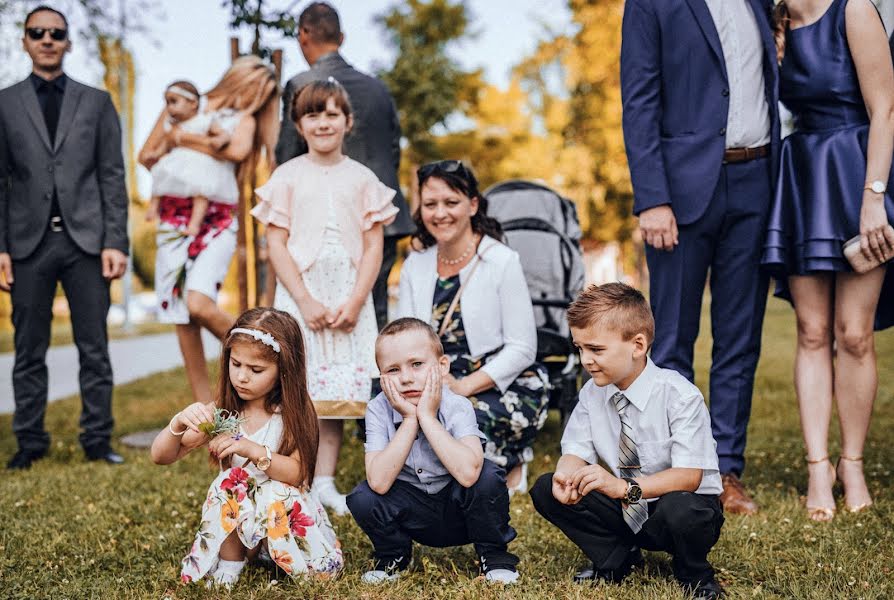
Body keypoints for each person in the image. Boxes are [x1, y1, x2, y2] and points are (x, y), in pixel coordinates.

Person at [620, 0, 780, 514]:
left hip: (758, 182)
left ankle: (726, 468)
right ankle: (676, 469)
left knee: (740, 337)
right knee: (670, 338)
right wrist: (651, 198)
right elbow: (639, 100)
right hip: (680, 192)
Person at [762, 0, 894, 520]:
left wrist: (873, 198)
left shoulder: (854, 8)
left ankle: (852, 463)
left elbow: (885, 108)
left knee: (854, 333)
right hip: (804, 178)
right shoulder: (774, 22)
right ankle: (819, 467)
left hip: (858, 171)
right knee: (812, 332)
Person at [252, 79, 397, 516]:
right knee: (299, 391)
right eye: (313, 114)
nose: (323, 122)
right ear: (299, 124)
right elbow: (276, 244)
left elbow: (374, 246)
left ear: (347, 122)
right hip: (303, 297)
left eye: (332, 113)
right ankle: (291, 474)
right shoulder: (287, 176)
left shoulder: (363, 178)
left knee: (333, 400)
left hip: (348, 299)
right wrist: (305, 300)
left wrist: (355, 301)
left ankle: (326, 482)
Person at [530, 283, 724, 600]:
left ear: (637, 345)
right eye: (579, 349)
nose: (585, 360)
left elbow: (690, 476)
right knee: (545, 487)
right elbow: (575, 449)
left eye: (596, 349)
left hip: (677, 509)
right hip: (626, 508)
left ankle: (695, 574)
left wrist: (623, 488)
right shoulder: (592, 392)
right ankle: (616, 558)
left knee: (682, 507)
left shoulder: (679, 395)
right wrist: (567, 475)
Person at [0, 6, 129, 469]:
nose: (48, 39)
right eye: (38, 32)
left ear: (68, 41)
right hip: (26, 244)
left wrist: (117, 241)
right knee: (27, 349)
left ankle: (98, 439)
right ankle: (29, 441)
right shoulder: (5, 102)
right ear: (26, 41)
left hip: (88, 245)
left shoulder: (96, 101)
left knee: (94, 347)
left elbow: (113, 176)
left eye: (56, 33)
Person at [150, 308, 343, 588]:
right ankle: (231, 562)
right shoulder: (224, 413)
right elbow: (162, 456)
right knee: (231, 483)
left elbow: (297, 474)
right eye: (235, 363)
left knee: (276, 489)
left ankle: (273, 553)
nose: (241, 377)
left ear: (284, 370)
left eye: (256, 370)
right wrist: (178, 423)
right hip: (240, 525)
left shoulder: (293, 415)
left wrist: (253, 450)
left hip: (282, 521)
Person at [397, 160, 549, 496]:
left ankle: (509, 459)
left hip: (493, 380)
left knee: (462, 423)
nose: (440, 213)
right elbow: (403, 340)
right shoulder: (415, 265)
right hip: (430, 378)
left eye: (451, 202)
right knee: (386, 413)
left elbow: (523, 348)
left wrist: (462, 387)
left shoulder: (501, 260)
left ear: (473, 205)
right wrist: (427, 386)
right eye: (430, 204)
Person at [138, 56, 280, 405]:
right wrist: (182, 137)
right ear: (238, 80)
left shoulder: (243, 120)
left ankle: (267, 360)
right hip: (174, 218)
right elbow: (146, 155)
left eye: (263, 98)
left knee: (199, 303)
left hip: (216, 217)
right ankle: (207, 413)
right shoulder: (184, 102)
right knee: (180, 314)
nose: (255, 101)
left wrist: (180, 138)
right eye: (254, 91)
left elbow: (236, 150)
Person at [347, 318, 520, 585]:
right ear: (380, 377)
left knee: (488, 476)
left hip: (461, 509)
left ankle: (494, 556)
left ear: (442, 367)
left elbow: (468, 474)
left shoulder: (457, 405)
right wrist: (408, 420)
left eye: (417, 364)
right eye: (393, 370)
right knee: (362, 497)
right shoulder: (377, 409)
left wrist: (427, 417)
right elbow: (379, 482)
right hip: (412, 510)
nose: (406, 378)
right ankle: (393, 555)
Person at [276, 1, 414, 328]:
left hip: (320, 225)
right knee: (374, 313)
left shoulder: (300, 85)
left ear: (303, 35)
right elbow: (394, 149)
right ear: (343, 37)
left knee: (314, 316)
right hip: (380, 217)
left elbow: (287, 155)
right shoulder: (378, 88)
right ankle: (378, 378)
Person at [143, 80, 233, 237]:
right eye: (167, 102)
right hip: (178, 161)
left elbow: (223, 133)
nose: (169, 107)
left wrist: (219, 140)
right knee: (160, 173)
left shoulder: (205, 120)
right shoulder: (173, 125)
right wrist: (156, 154)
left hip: (199, 164)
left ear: (193, 103)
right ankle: (153, 206)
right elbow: (165, 144)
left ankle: (194, 224)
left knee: (201, 192)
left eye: (174, 102)